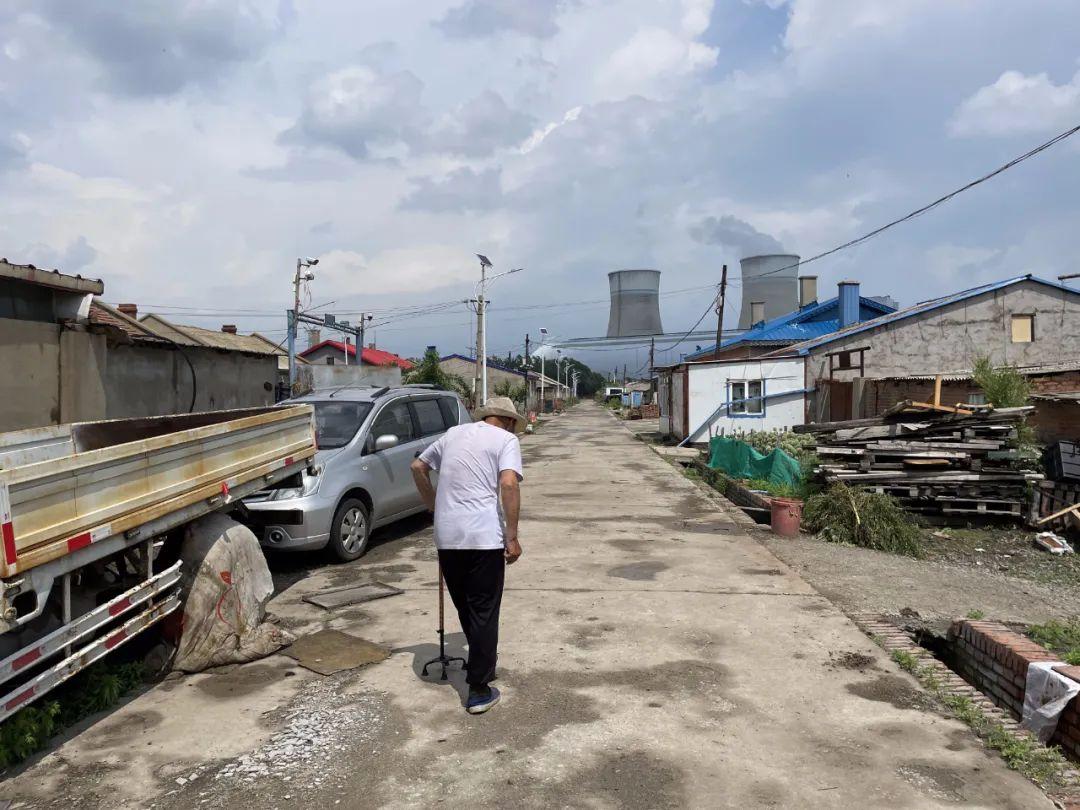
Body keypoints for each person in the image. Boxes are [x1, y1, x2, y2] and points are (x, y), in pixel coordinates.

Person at [410, 396, 524, 715]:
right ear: (509, 421)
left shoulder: (453, 434)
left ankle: (481, 664)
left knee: (468, 608)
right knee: (484, 611)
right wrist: (512, 536)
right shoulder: (506, 440)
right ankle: (478, 688)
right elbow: (509, 484)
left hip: (448, 537)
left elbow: (418, 466)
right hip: (483, 537)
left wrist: (434, 506)